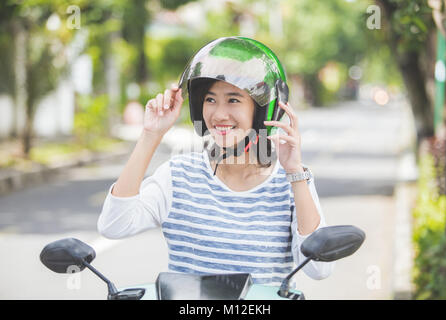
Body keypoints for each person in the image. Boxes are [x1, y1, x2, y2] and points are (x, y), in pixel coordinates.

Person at [97, 37, 335, 286]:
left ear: (262, 111)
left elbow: (319, 268)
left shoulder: (291, 183)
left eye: (233, 100)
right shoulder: (178, 175)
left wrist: (295, 172)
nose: (219, 114)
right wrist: (151, 135)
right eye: (210, 100)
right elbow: (114, 225)